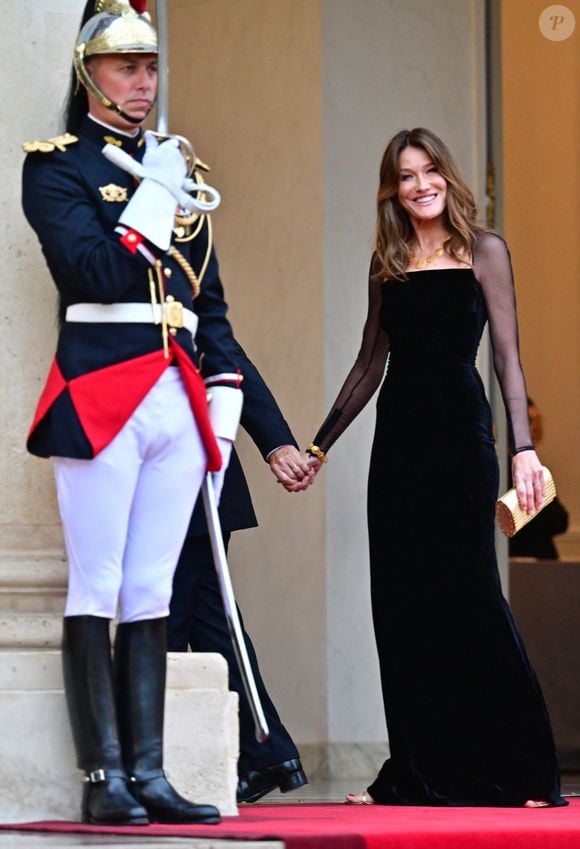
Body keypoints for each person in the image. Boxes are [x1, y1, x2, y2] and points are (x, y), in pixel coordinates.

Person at [21, 0, 247, 826]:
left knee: (152, 585)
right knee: (100, 580)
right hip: (100, 391)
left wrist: (224, 400)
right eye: (126, 67)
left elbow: (209, 307)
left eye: (150, 67)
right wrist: (151, 201)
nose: (143, 83)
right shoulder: (56, 167)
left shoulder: (177, 169)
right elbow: (92, 273)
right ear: (90, 75)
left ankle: (148, 772)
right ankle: (100, 773)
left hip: (177, 400)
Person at [301, 128, 566, 808]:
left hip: (461, 446)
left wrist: (524, 451)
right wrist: (319, 445)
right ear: (393, 188)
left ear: (447, 176)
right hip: (398, 451)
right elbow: (369, 364)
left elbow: (507, 356)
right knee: (402, 607)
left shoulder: (484, 250)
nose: (420, 184)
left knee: (472, 598)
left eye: (429, 171)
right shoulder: (386, 259)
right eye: (406, 175)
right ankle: (420, 770)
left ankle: (526, 769)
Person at [168, 339, 311, 803]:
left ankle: (157, 763)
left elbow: (228, 360)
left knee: (165, 626)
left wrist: (277, 445)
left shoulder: (179, 277)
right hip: (168, 480)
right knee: (212, 626)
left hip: (189, 481)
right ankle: (268, 753)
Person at [508, 398, 569, 559]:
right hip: (519, 560)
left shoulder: (534, 469)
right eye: (529, 421)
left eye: (536, 420)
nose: (535, 428)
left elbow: (560, 520)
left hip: (540, 561)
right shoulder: (509, 470)